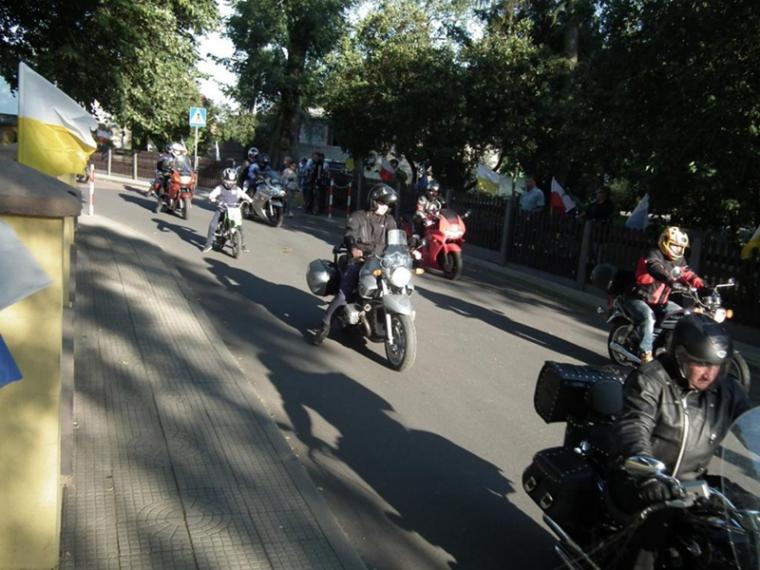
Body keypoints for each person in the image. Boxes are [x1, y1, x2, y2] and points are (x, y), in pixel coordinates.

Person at [609, 314, 750, 568]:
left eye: (716, 365)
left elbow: (752, 429)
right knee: (656, 528)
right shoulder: (650, 380)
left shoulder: (728, 391)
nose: (710, 373)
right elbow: (634, 425)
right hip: (643, 476)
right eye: (701, 364)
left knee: (745, 516)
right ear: (681, 356)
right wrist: (648, 474)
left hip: (693, 483)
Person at [311, 184, 399, 344]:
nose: (385, 207)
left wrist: (409, 247)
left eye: (387, 204)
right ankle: (324, 326)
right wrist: (353, 247)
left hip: (382, 262)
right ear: (373, 201)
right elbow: (349, 234)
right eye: (381, 202)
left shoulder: (389, 221)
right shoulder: (358, 217)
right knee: (344, 294)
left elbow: (396, 240)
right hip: (359, 261)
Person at [624, 226, 705, 363]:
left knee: (684, 316)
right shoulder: (653, 254)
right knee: (649, 318)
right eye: (674, 246)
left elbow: (688, 274)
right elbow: (655, 268)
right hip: (638, 298)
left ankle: (669, 347)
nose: (677, 250)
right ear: (664, 241)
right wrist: (669, 280)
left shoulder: (679, 260)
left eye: (680, 247)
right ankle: (645, 353)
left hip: (660, 303)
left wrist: (703, 286)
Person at [202, 168, 253, 253]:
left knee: (239, 227)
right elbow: (212, 194)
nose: (230, 183)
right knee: (212, 225)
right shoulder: (220, 188)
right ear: (223, 179)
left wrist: (250, 200)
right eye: (228, 180)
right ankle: (208, 245)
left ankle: (242, 245)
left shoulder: (237, 189)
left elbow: (243, 195)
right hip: (222, 210)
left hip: (234, 210)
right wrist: (212, 198)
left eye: (232, 181)